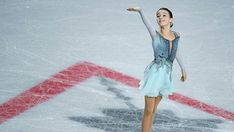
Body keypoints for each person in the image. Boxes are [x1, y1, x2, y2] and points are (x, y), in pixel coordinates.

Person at [127, 6, 187, 132]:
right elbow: (147, 24)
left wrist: (183, 69)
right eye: (158, 16)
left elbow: (177, 51)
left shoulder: (176, 35)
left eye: (164, 15)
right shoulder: (155, 35)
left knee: (153, 109)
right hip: (154, 75)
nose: (160, 17)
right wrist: (140, 11)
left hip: (165, 76)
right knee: (148, 110)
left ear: (171, 19)